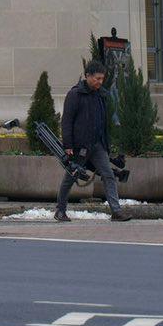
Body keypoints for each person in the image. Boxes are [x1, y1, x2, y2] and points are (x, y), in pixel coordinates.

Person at [56, 60, 129, 222]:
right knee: (70, 178)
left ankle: (116, 212)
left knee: (108, 175)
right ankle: (60, 210)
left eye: (102, 79)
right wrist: (68, 145)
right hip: (80, 146)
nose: (100, 82)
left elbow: (104, 122)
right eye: (97, 78)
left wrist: (106, 144)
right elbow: (67, 121)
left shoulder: (101, 95)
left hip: (98, 145)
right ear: (87, 76)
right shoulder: (75, 94)